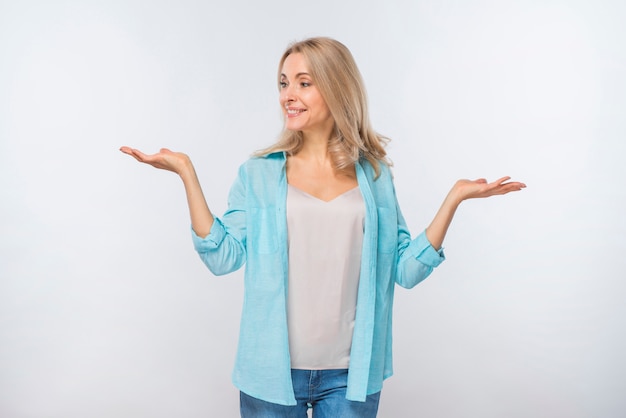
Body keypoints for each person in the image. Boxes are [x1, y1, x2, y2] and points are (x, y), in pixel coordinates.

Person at [120, 37, 525, 418]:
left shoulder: (375, 177)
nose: (287, 95)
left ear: (335, 89)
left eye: (303, 83)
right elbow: (223, 257)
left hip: (351, 376)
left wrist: (453, 199)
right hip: (270, 373)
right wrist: (187, 174)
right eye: (283, 83)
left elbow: (405, 270)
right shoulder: (258, 175)